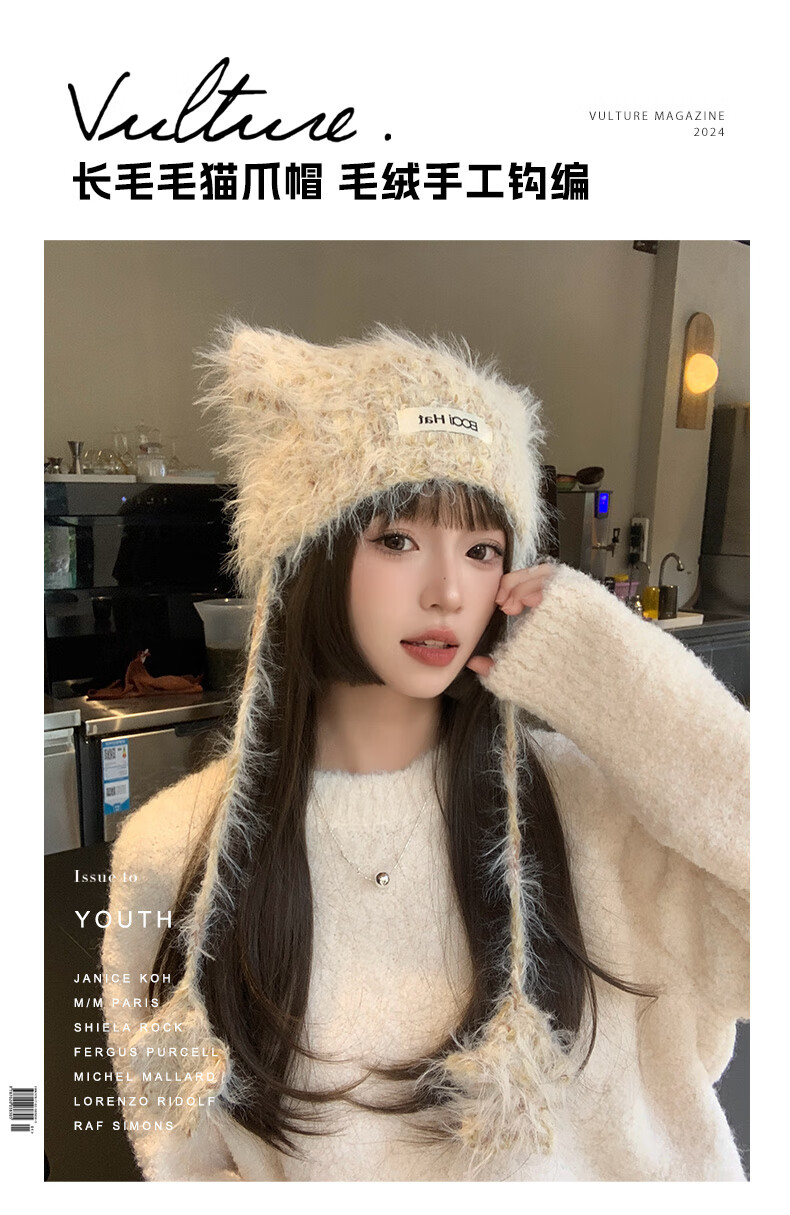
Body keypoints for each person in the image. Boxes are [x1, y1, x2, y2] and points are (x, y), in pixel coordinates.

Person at [102, 325, 749, 1182]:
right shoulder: (174, 846)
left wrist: (617, 676)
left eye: (482, 550)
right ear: (306, 557)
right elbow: (181, 1156)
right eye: (398, 539)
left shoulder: (592, 804)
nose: (448, 590)